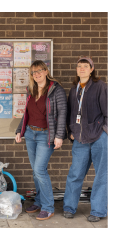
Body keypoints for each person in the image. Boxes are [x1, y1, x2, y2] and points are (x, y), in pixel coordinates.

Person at [14, 60, 67, 221]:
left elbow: (62, 113)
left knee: (39, 170)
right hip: (30, 134)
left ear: (46, 71)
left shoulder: (56, 89)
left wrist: (59, 136)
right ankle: (38, 201)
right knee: (36, 172)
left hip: (46, 135)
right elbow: (27, 113)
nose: (36, 74)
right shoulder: (31, 89)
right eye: (33, 72)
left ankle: (48, 207)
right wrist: (19, 130)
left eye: (39, 71)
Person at [63, 56, 108, 222]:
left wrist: (105, 131)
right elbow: (70, 114)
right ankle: (69, 207)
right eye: (79, 66)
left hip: (99, 138)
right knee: (75, 174)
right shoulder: (74, 88)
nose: (81, 68)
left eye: (85, 66)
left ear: (91, 69)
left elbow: (109, 112)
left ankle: (98, 211)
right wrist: (71, 132)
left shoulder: (101, 86)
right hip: (80, 140)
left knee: (102, 176)